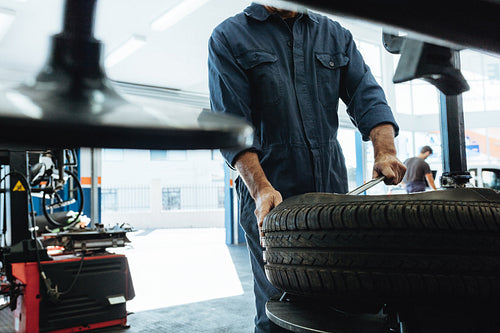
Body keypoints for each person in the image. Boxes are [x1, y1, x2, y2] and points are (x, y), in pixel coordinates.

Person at [208, 3, 406, 332]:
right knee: (281, 303)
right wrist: (259, 189)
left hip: (330, 195)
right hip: (270, 196)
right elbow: (232, 125)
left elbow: (366, 93)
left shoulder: (334, 34)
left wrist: (384, 150)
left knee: (336, 300)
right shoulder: (229, 36)